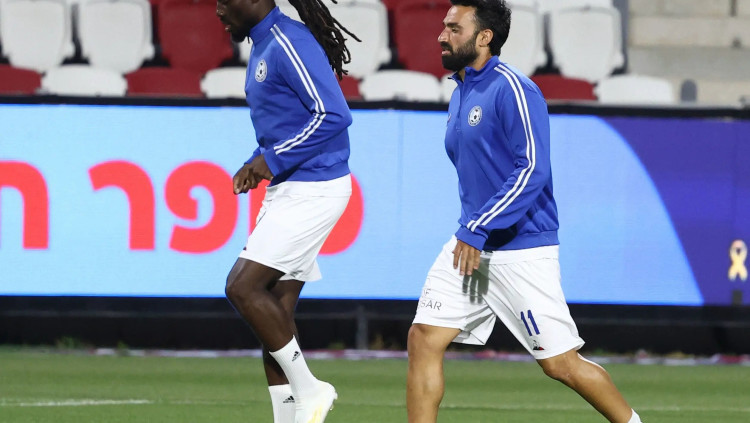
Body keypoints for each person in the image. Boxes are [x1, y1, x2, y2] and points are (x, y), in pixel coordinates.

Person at [406, 1, 643, 423]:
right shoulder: (461, 91)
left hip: (521, 249)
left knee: (561, 365)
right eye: (444, 27)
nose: (442, 36)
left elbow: (532, 168)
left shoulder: (514, 89)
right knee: (423, 337)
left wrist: (479, 227)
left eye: (454, 28)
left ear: (484, 37)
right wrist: (473, 230)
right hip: (471, 246)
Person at [215, 1, 358, 422]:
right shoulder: (263, 44)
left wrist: (272, 159)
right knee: (274, 311)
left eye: (224, 1)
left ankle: (311, 389)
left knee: (242, 287)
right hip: (293, 186)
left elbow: (334, 114)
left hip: (315, 187)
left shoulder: (287, 40)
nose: (218, 10)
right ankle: (289, 417)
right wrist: (256, 161)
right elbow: (286, 125)